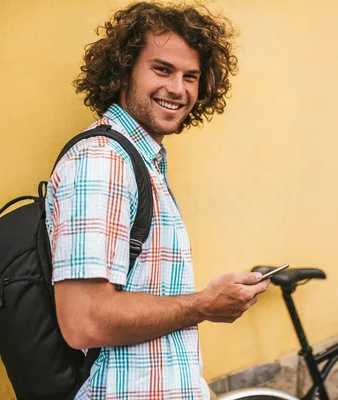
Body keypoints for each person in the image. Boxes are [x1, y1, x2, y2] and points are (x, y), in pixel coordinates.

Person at [44, 2, 270, 399]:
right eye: (162, 69)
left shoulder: (140, 160)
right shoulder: (103, 161)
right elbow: (85, 320)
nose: (178, 89)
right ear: (124, 70)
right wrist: (203, 305)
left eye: (191, 76)